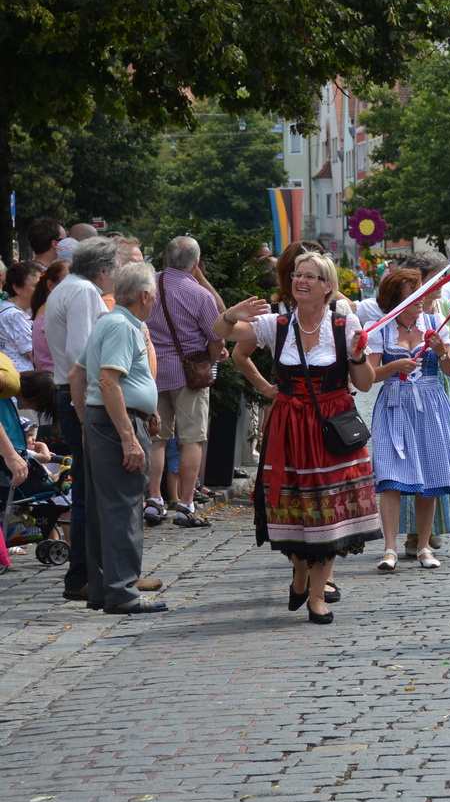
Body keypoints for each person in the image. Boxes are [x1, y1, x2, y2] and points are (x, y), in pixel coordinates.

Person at [214, 251, 382, 623]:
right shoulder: (277, 324)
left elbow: (365, 385)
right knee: (291, 505)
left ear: (327, 287)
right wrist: (230, 314)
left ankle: (317, 596)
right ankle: (301, 570)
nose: (300, 281)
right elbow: (222, 334)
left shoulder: (344, 323)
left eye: (310, 276)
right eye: (296, 275)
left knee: (328, 509)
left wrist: (357, 357)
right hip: (289, 426)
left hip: (331, 426)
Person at [66, 262, 165, 614]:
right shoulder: (122, 326)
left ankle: (105, 589)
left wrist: (85, 422)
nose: (156, 300)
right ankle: (122, 592)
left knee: (103, 508)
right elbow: (108, 381)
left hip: (103, 422)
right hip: (114, 424)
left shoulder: (109, 321)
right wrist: (127, 436)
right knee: (122, 509)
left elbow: (77, 374)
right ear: (144, 295)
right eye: (154, 294)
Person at [366, 268, 450, 572]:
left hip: (430, 403)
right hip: (394, 403)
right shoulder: (380, 328)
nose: (420, 299)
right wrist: (394, 366)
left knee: (431, 474)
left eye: (421, 294)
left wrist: (441, 353)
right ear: (396, 298)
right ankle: (389, 548)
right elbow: (369, 377)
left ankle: (424, 545)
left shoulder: (434, 323)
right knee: (390, 476)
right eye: (413, 294)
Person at [43, 238, 116, 604]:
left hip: (70, 394)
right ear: (103, 270)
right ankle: (84, 576)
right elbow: (81, 354)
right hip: (80, 399)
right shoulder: (85, 291)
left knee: (89, 489)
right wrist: (90, 412)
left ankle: (97, 574)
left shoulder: (69, 287)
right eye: (114, 269)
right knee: (90, 492)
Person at [143, 236, 224, 530]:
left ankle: (153, 499)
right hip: (189, 374)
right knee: (191, 438)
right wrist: (212, 361)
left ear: (165, 258)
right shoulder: (199, 293)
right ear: (196, 263)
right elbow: (217, 337)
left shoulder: (147, 285)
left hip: (152, 370)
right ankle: (186, 504)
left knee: (157, 437)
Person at [30, 261, 68, 373]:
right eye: (67, 281)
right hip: (54, 378)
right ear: (51, 285)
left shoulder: (48, 308)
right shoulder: (51, 312)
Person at [3, 261, 42, 367]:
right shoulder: (15, 315)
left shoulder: (8, 310)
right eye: (36, 286)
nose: (40, 291)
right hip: (21, 378)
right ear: (17, 287)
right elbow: (35, 356)